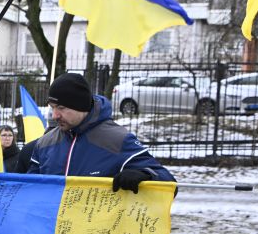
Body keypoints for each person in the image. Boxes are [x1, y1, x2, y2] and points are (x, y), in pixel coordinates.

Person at [28, 73, 176, 186]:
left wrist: (146, 175)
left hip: (99, 225)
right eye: (52, 108)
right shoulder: (45, 143)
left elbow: (167, 181)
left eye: (61, 108)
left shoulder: (117, 140)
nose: (55, 115)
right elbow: (28, 189)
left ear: (81, 107)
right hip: (52, 226)